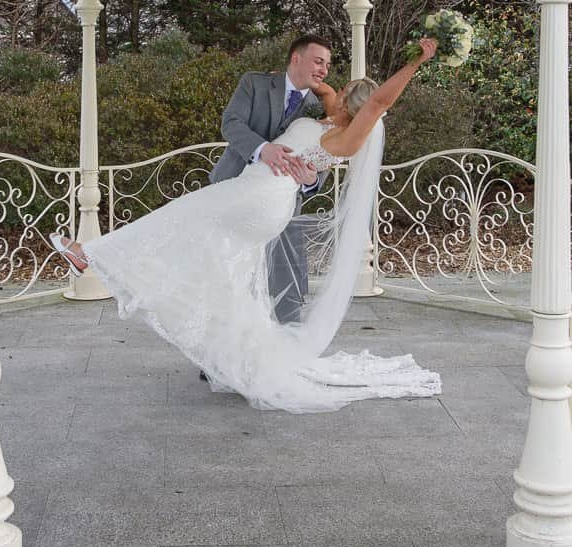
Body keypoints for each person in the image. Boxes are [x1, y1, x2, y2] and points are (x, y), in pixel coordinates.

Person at [52, 38, 442, 413]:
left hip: (262, 196)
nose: (331, 86)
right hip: (255, 191)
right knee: (229, 275)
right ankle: (241, 361)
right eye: (322, 68)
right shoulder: (328, 114)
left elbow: (379, 101)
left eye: (343, 90)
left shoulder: (348, 136)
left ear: (354, 106)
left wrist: (415, 62)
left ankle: (89, 256)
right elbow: (321, 87)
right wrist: (298, 74)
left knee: (179, 216)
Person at [211, 34, 333, 325]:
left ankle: (281, 349)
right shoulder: (255, 83)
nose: (324, 70)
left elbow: (325, 153)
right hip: (232, 190)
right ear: (296, 58)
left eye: (327, 65)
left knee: (282, 277)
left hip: (283, 203)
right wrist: (262, 149)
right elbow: (231, 123)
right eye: (318, 61)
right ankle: (219, 354)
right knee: (229, 274)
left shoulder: (324, 107)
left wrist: (311, 178)